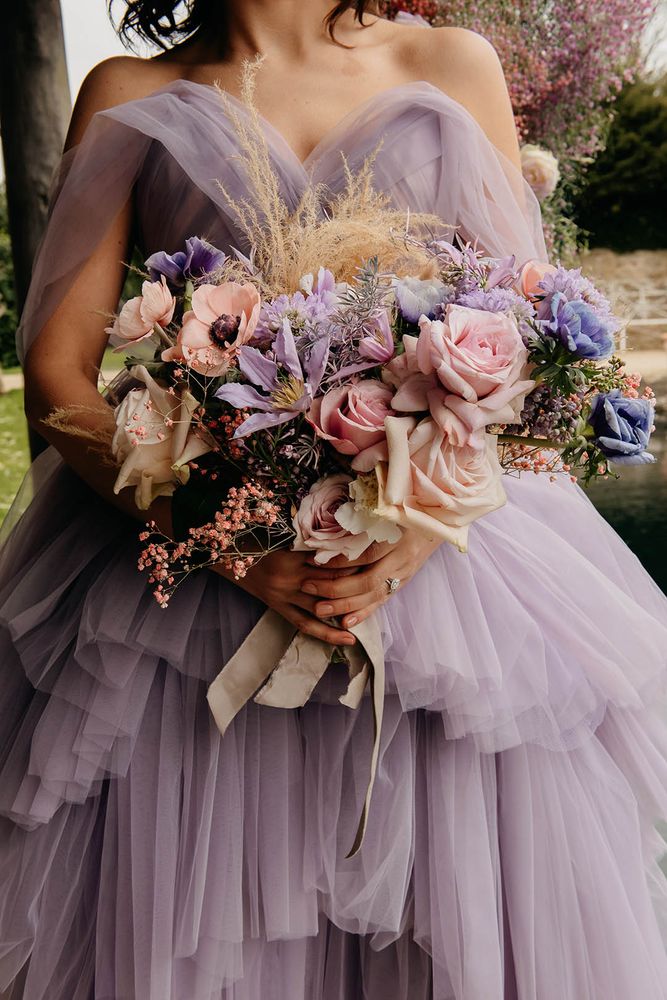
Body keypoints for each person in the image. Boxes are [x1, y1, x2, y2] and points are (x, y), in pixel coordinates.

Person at [1, 2, 667, 997]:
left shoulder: (448, 64)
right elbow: (59, 371)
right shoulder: (130, 95)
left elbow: (523, 323)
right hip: (193, 590)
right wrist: (229, 540)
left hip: (443, 583)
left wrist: (421, 523)